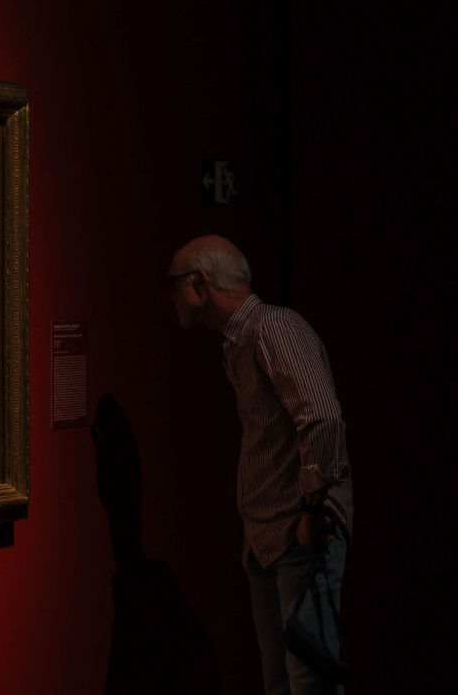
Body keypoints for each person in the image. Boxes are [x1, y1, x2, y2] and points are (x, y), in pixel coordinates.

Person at [168, 235, 353, 695]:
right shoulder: (238, 340)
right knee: (282, 682)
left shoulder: (274, 328)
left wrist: (312, 509)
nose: (171, 297)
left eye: (174, 285)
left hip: (300, 531)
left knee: (309, 682)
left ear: (200, 282)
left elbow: (323, 417)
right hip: (268, 538)